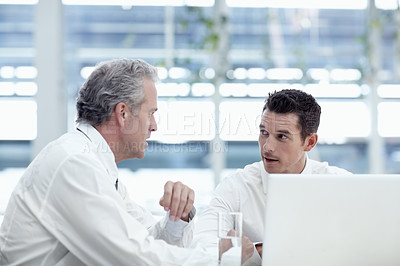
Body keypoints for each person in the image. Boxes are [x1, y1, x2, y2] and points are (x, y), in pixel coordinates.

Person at [0, 58, 213, 265]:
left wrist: (179, 216)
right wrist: (222, 261)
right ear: (123, 114)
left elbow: (146, 241)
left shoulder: (94, 164)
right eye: (151, 114)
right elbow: (134, 258)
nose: (154, 126)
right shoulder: (75, 163)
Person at [191, 89, 352, 266]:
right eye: (264, 133)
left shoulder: (341, 185)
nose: (267, 147)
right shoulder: (236, 187)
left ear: (310, 142)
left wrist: (258, 252)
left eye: (282, 136)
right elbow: (201, 247)